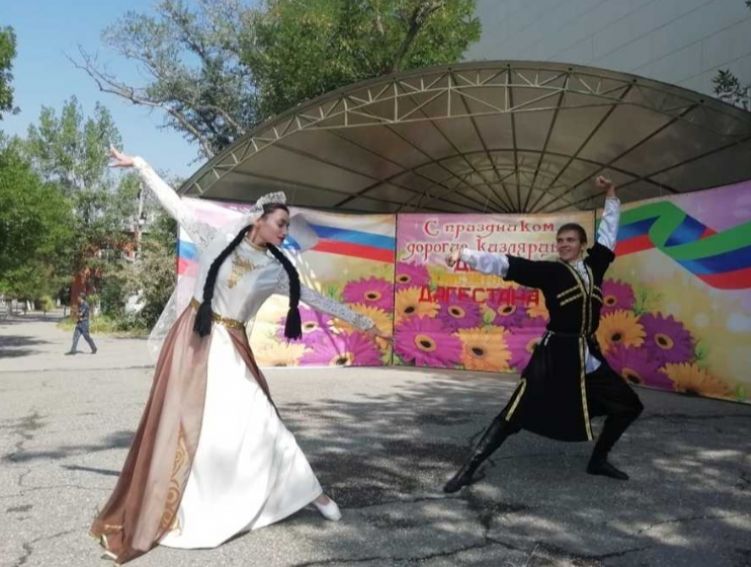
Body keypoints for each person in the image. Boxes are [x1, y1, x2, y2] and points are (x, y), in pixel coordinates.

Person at [91, 147, 390, 564]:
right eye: (280, 223)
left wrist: (366, 323)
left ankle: (312, 493)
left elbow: (317, 299)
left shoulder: (276, 270)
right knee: (194, 430)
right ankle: (193, 504)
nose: (285, 231)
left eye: (287, 226)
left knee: (262, 421)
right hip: (194, 342)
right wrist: (141, 166)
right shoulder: (216, 241)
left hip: (231, 348)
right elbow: (175, 206)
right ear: (258, 219)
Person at [442, 176, 643, 493]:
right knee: (514, 414)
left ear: (582, 245)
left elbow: (608, 233)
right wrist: (464, 254)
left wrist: (611, 194)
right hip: (555, 356)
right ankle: (468, 469)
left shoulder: (596, 265)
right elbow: (508, 264)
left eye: (570, 240)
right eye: (560, 240)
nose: (563, 244)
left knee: (629, 405)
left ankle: (598, 460)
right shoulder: (551, 272)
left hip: (587, 355)